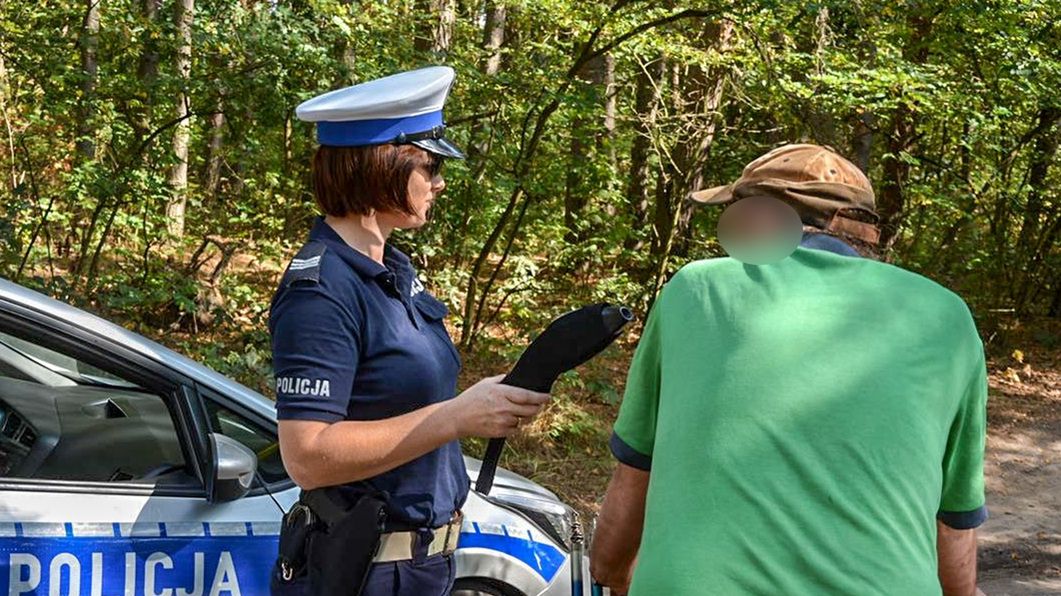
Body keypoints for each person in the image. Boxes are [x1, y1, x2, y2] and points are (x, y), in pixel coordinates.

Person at [590, 144, 988, 595]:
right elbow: (954, 522)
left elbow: (635, 472)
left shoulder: (696, 290)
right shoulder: (945, 317)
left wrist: (611, 574)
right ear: (865, 231)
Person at [269, 66, 550, 596]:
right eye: (430, 164)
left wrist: (486, 404)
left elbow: (400, 397)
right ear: (381, 166)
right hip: (364, 574)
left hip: (421, 568)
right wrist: (458, 415)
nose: (440, 181)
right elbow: (306, 456)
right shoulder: (322, 290)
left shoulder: (391, 270)